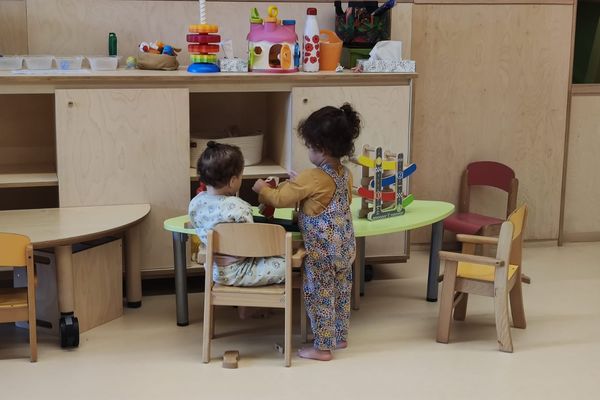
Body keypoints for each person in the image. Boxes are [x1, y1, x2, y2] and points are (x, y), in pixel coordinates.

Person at [252, 103, 361, 361]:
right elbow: (331, 196)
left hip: (322, 253)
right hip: (346, 249)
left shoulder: (311, 177)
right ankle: (339, 336)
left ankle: (322, 348)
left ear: (320, 149)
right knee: (341, 292)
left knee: (319, 294)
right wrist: (301, 180)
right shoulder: (345, 173)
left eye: (310, 147)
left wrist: (261, 189)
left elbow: (280, 198)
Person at [189, 141, 286, 288]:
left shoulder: (196, 203)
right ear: (233, 181)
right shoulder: (239, 208)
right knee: (287, 263)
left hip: (213, 269)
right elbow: (252, 244)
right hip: (241, 270)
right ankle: (248, 310)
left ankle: (246, 310)